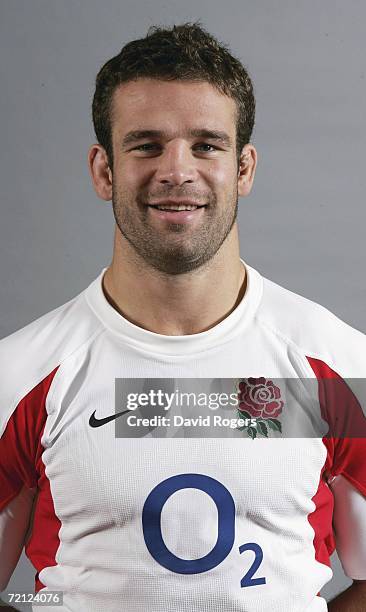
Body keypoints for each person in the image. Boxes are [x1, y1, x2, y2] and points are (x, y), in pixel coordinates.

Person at [0, 21, 365, 612]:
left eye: (206, 144)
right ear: (103, 170)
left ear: (243, 168)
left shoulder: (338, 367)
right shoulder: (20, 376)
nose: (177, 170)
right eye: (146, 144)